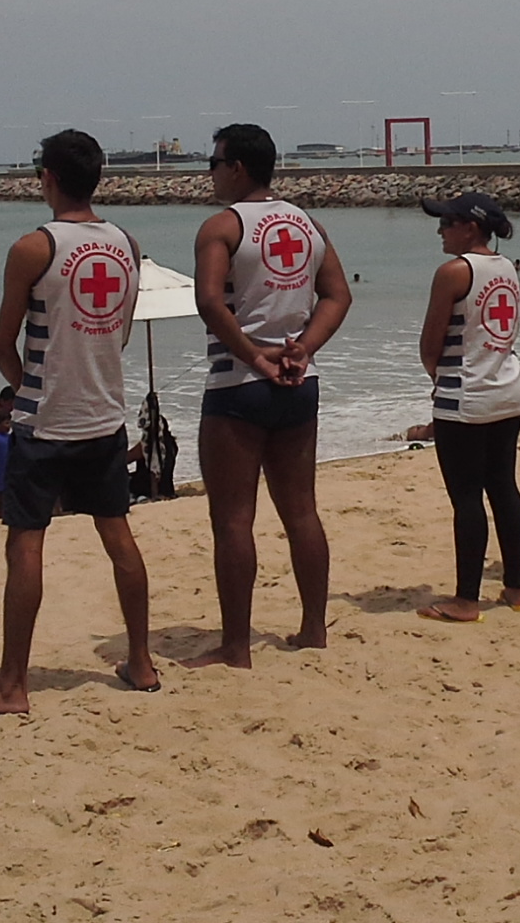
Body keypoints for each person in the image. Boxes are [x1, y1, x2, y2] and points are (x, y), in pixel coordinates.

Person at [0, 129, 159, 722]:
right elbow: (114, 330)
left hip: (46, 421)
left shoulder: (34, 248)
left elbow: (4, 343)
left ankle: (13, 685)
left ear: (48, 179)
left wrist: (24, 391)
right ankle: (141, 661)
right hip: (104, 415)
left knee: (26, 543)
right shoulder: (126, 244)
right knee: (118, 536)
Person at [187, 122, 353, 667]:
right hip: (298, 384)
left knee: (233, 518)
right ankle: (312, 630)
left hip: (240, 385)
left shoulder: (223, 227)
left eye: (214, 163)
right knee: (301, 511)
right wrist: (303, 348)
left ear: (237, 167)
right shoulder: (307, 224)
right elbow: (337, 295)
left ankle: (236, 646)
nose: (210, 173)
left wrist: (254, 356)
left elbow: (211, 302)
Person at [415, 192, 520, 622]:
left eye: (447, 223)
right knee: (504, 488)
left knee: (466, 497)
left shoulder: (453, 272)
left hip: (465, 396)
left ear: (471, 227)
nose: (440, 230)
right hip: (507, 391)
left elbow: (431, 343)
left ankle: (466, 599)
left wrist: (436, 376)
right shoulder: (507, 269)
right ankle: (516, 587)